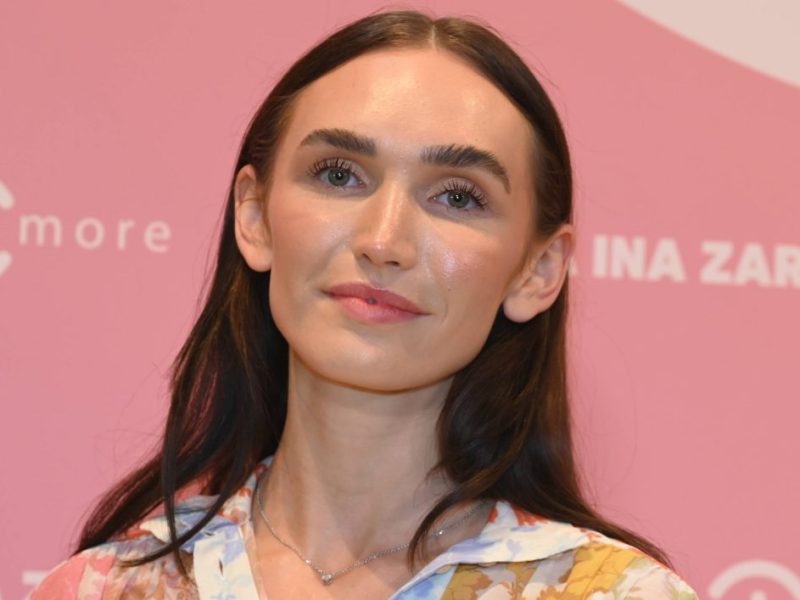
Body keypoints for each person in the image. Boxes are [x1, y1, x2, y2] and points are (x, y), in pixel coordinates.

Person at [33, 9, 698, 599]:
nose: (384, 242)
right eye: (338, 175)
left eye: (457, 196)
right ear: (255, 215)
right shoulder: (103, 590)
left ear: (538, 269)